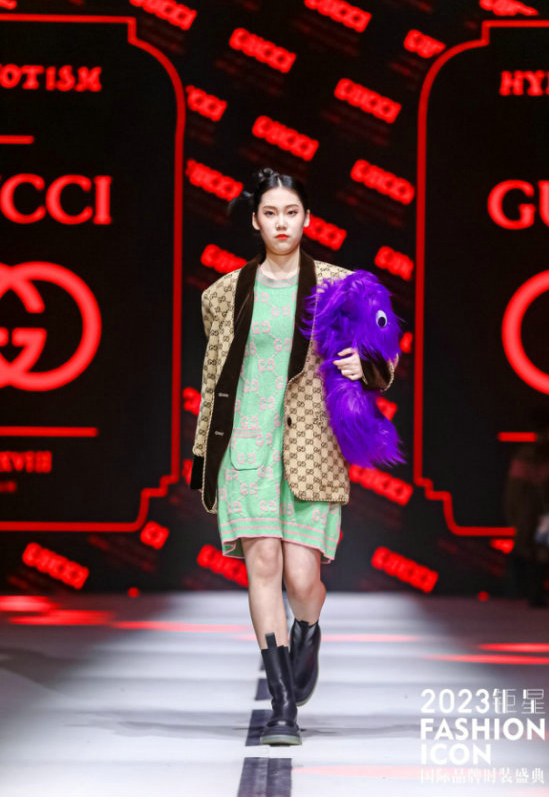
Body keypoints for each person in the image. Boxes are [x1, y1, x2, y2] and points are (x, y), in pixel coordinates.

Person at [190, 167, 399, 744]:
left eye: (290, 213)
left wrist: (367, 364)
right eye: (269, 213)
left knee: (304, 580)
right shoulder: (224, 293)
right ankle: (283, 703)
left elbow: (385, 350)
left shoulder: (341, 285)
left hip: (312, 446)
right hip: (247, 446)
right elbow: (214, 377)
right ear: (255, 222)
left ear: (307, 219)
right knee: (263, 566)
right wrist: (205, 451)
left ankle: (307, 631)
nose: (281, 223)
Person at [503, 407, 549, 607]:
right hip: (531, 509)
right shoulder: (526, 455)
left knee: (541, 551)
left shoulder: (544, 454)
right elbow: (514, 487)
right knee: (526, 548)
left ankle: (533, 593)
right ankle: (519, 590)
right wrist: (513, 510)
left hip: (546, 511)